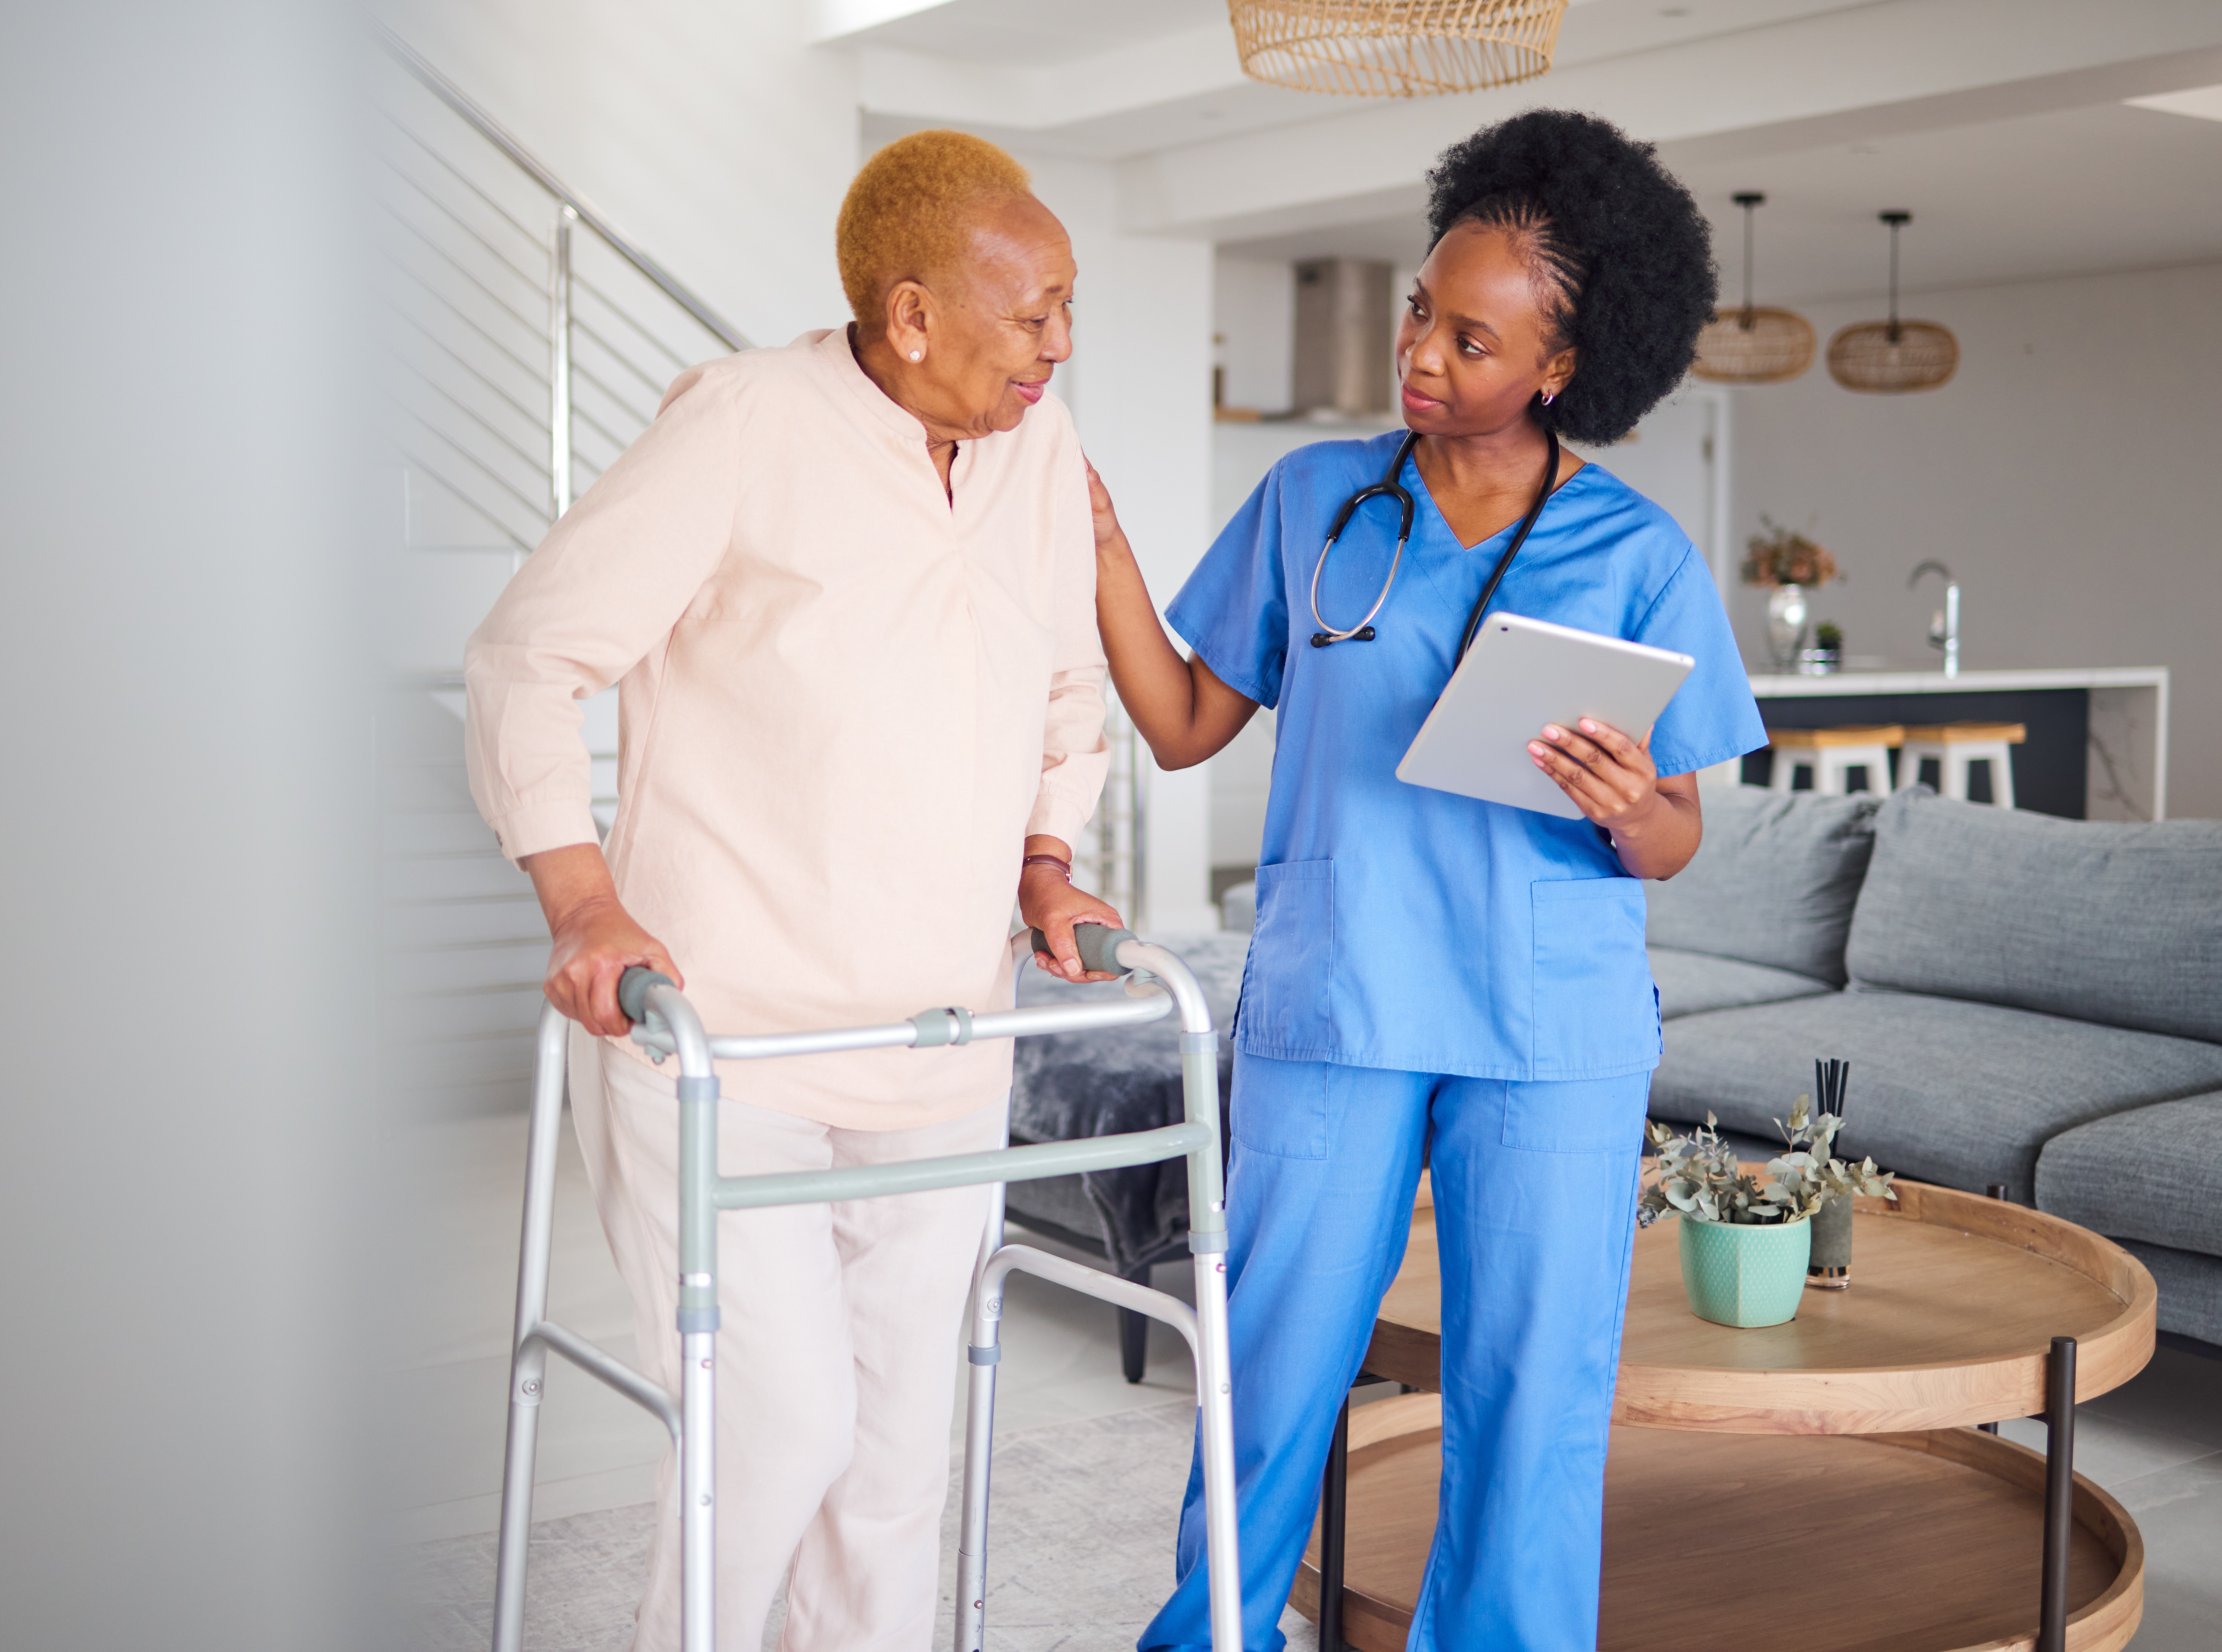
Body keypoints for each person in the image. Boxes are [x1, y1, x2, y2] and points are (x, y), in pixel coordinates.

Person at [1094, 111, 1765, 1651]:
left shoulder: (1636, 550)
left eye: (1472, 338)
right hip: (1344, 993)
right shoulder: (1316, 497)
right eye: (1421, 312)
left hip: (1552, 1022)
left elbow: (1674, 832)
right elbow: (1188, 726)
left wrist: (1622, 809)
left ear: (1559, 366)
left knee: (1533, 1404)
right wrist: (1109, 560)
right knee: (1267, 1373)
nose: (1424, 354)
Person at [463, 130, 1120, 1652]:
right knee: (782, 1434)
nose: (1057, 347)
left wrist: (1045, 864)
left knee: (895, 1472)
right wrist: (581, 901)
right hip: (727, 1041)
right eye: (1031, 316)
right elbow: (527, 656)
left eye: (1066, 310)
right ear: (909, 315)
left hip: (944, 1044)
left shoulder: (1037, 444)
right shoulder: (746, 421)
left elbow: (1063, 687)